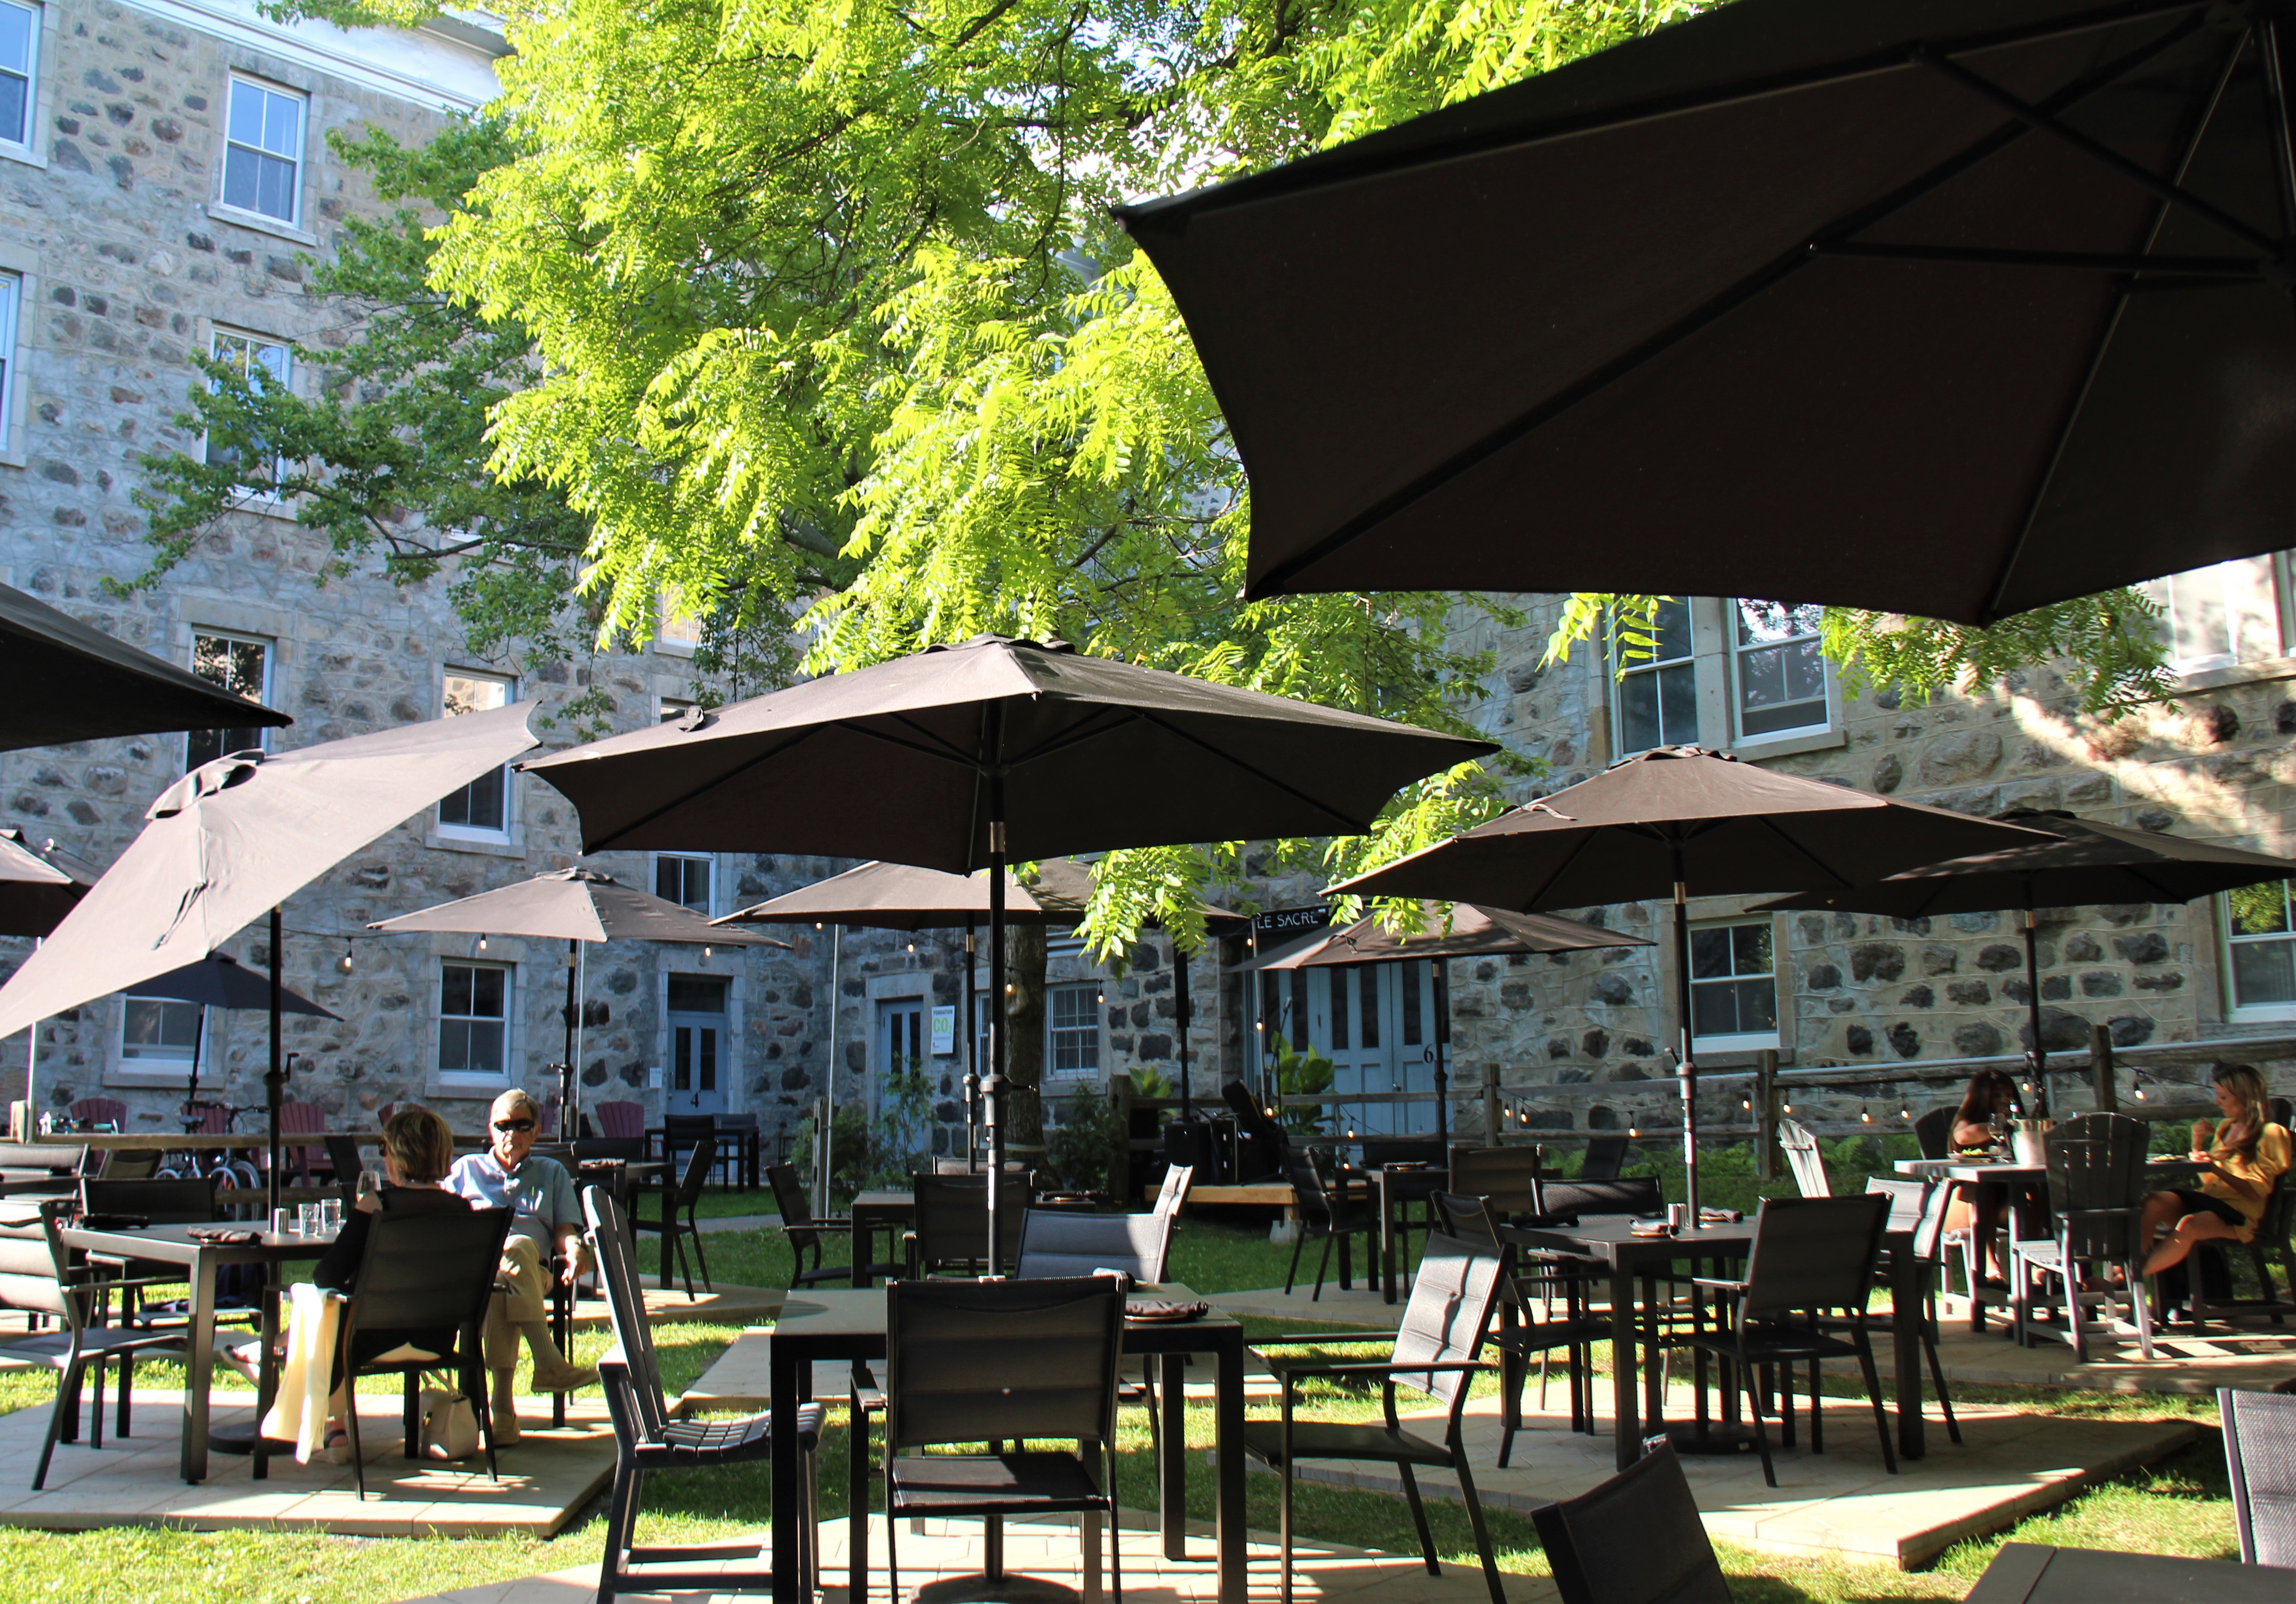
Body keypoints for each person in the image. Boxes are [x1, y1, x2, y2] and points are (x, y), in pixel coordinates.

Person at [259, 1106, 472, 1460]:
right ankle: (331, 1425)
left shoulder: (377, 1204)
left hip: (369, 1342)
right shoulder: (462, 1209)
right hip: (438, 1341)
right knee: (335, 1310)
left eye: (384, 1149)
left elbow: (326, 1274)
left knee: (326, 1305)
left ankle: (332, 1424)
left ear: (398, 1155)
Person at [447, 1088, 597, 1441]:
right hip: (477, 1272)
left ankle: (505, 1408)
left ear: (536, 1130)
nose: (510, 1133)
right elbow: (442, 1222)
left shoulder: (552, 1172)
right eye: (502, 1125)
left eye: (520, 1124)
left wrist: (575, 1249)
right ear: (490, 1129)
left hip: (535, 1270)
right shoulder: (465, 1170)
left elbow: (564, 1229)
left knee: (515, 1255)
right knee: (503, 1282)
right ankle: (533, 1378)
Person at [2141, 1063, 2292, 1282]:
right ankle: (2125, 1267)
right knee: (2153, 1202)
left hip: (2242, 1213)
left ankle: (2129, 1281)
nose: (2217, 1103)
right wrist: (2197, 1148)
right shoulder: (2226, 1128)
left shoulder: (2271, 1133)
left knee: (2189, 1225)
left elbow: (2255, 1191)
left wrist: (2215, 1168)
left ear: (2244, 1097)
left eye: (2224, 1098)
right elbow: (2211, 1183)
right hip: (2212, 1201)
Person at [1941, 1068, 2018, 1283]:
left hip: (2006, 1203)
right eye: (1998, 1095)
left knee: (2030, 1193)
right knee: (1985, 1189)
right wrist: (2000, 1125)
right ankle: (1989, 1266)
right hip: (1963, 1202)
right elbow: (1963, 1136)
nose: (2005, 1100)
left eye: (2009, 1095)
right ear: (1982, 1097)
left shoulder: (2017, 1125)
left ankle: (2036, 1267)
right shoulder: (1967, 1121)